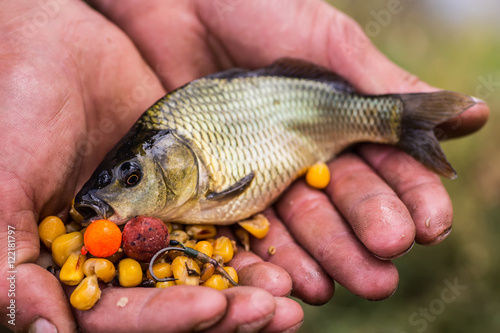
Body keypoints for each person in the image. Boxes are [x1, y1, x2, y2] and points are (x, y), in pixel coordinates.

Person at [0, 0, 488, 332]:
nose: (115, 196)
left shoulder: (204, 194)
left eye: (132, 178)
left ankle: (401, 119)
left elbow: (242, 191)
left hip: (309, 107)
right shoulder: (172, 191)